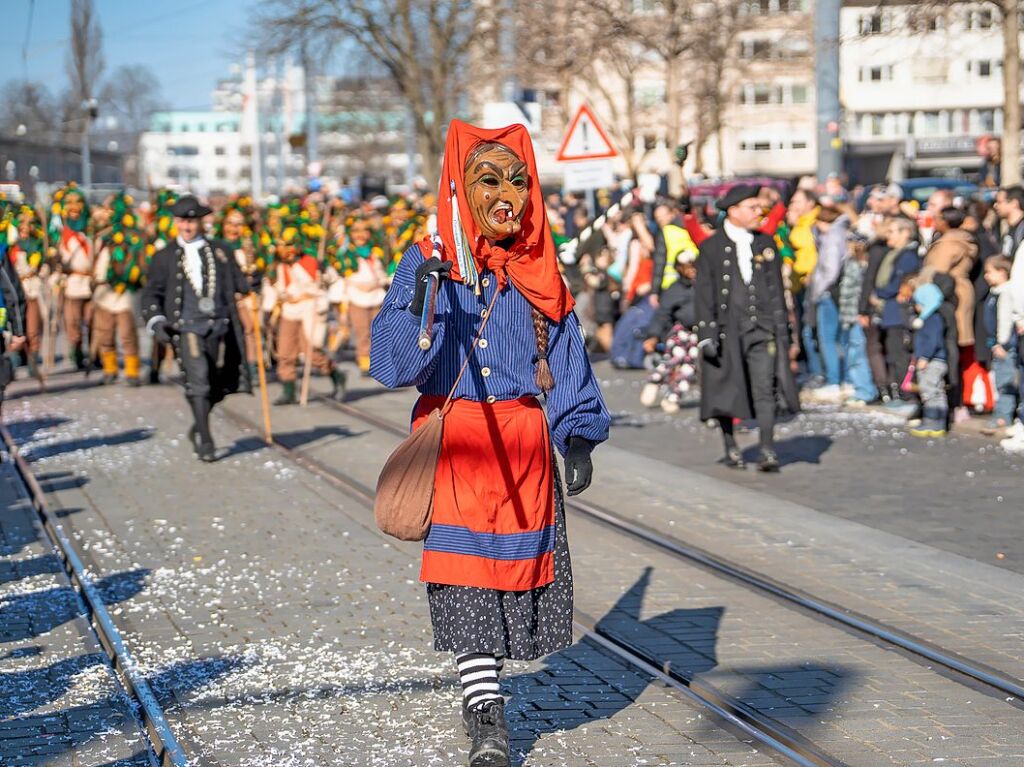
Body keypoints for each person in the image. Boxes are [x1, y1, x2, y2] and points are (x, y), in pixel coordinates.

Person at [369, 120, 610, 767]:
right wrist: (421, 300)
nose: (508, 194)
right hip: (459, 446)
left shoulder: (539, 270)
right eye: (490, 180)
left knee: (510, 588)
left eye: (519, 182)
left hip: (524, 451)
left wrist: (577, 432)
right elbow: (392, 362)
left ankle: (486, 696)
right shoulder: (429, 258)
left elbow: (565, 354)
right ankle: (488, 719)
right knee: (468, 584)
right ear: (461, 187)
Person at [695, 184, 799, 472]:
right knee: (726, 388)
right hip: (727, 330)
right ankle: (731, 447)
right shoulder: (711, 248)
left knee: (765, 386)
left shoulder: (766, 244)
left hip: (761, 329)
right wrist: (706, 334)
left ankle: (767, 449)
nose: (759, 213)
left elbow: (778, 291)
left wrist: (786, 332)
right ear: (733, 210)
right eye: (753, 208)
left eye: (760, 208)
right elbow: (704, 294)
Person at [141, 195, 251, 462]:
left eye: (191, 221)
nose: (187, 226)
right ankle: (206, 438)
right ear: (176, 223)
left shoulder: (221, 251)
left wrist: (254, 280)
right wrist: (156, 321)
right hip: (186, 326)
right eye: (182, 221)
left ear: (201, 222)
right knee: (199, 380)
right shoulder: (164, 256)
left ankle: (198, 424)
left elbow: (240, 285)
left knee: (217, 385)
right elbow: (151, 294)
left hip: (219, 325)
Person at [261, 222, 347, 405]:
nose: (287, 250)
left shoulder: (313, 262)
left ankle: (336, 375)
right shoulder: (275, 266)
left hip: (310, 309)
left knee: (311, 352)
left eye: (290, 245)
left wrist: (330, 298)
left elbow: (336, 281)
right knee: (284, 352)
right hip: (289, 310)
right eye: (283, 246)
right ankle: (288, 390)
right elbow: (270, 289)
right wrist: (267, 312)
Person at [921, 206, 978, 421]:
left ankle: (953, 401)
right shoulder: (958, 240)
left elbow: (935, 272)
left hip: (946, 296)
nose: (934, 221)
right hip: (954, 293)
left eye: (937, 218)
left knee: (948, 347)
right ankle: (953, 401)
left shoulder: (949, 243)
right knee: (952, 348)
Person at [92, 193, 145, 386]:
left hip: (123, 292)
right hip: (103, 291)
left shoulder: (132, 237)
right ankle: (110, 369)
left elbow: (139, 262)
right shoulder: (101, 236)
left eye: (110, 210)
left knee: (127, 332)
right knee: (105, 333)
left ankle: (132, 372)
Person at [869, 217, 921, 408]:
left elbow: (899, 283)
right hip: (889, 311)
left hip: (898, 312)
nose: (888, 235)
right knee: (892, 353)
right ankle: (898, 391)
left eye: (892, 231)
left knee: (900, 354)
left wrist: (880, 293)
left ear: (905, 233)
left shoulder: (907, 256)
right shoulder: (893, 254)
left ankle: (906, 394)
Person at [641, 252, 699, 412]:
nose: (691, 270)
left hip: (697, 333)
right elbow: (662, 314)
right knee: (675, 357)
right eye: (687, 266)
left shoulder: (705, 286)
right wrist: (653, 336)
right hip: (679, 331)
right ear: (679, 268)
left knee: (689, 367)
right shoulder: (675, 289)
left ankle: (673, 397)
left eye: (694, 266)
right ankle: (655, 380)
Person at [806, 204, 852, 402]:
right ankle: (845, 379)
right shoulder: (841, 234)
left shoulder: (832, 238)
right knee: (840, 339)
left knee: (828, 339)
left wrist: (818, 290)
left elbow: (830, 270)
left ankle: (834, 381)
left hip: (827, 294)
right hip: (837, 293)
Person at [52, 183, 94, 372]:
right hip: (72, 284)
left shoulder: (92, 230)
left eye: (78, 203)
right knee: (73, 323)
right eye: (69, 203)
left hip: (92, 283)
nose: (74, 208)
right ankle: (76, 354)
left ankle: (95, 355)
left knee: (93, 321)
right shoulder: (60, 234)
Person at [982, 256, 1018, 431]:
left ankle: (1004, 415)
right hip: (995, 343)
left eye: (990, 272)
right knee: (999, 380)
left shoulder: (1008, 292)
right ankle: (1002, 412)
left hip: (1005, 346)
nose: (986, 276)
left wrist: (1004, 345)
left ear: (1002, 272)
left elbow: (1009, 322)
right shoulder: (993, 292)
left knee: (1006, 381)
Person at [909, 283, 949, 438]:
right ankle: (937, 421)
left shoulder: (932, 319)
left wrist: (924, 356)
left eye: (918, 303)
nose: (916, 307)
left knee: (929, 390)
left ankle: (933, 420)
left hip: (933, 361)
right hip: (934, 359)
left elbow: (932, 340)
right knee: (935, 390)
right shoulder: (931, 318)